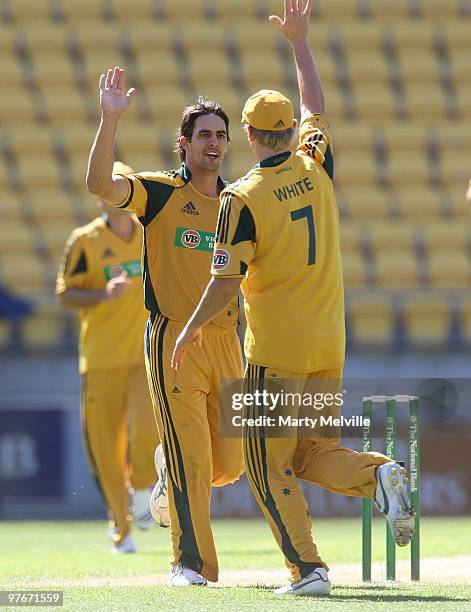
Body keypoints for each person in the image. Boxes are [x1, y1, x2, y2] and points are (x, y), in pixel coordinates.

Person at [172, 0, 416, 596]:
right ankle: (379, 475)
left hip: (276, 351)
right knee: (312, 453)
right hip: (329, 342)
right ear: (288, 132)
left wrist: (188, 329)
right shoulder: (317, 162)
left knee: (267, 465)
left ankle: (308, 571)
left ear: (250, 136)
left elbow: (226, 280)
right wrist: (300, 44)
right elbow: (318, 107)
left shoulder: (243, 197)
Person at [86, 68, 244, 586]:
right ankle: (188, 563)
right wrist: (109, 119)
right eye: (204, 135)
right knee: (192, 463)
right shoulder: (159, 193)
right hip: (173, 338)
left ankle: (165, 467)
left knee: (233, 463)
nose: (214, 143)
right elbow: (99, 184)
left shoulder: (238, 201)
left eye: (221, 134)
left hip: (228, 341)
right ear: (185, 144)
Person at [56, 161, 164, 554]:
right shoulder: (84, 241)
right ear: (102, 195)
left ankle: (141, 491)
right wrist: (103, 293)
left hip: (143, 355)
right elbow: (65, 294)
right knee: (105, 449)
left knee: (147, 436)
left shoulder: (150, 234)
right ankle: (122, 529)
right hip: (100, 359)